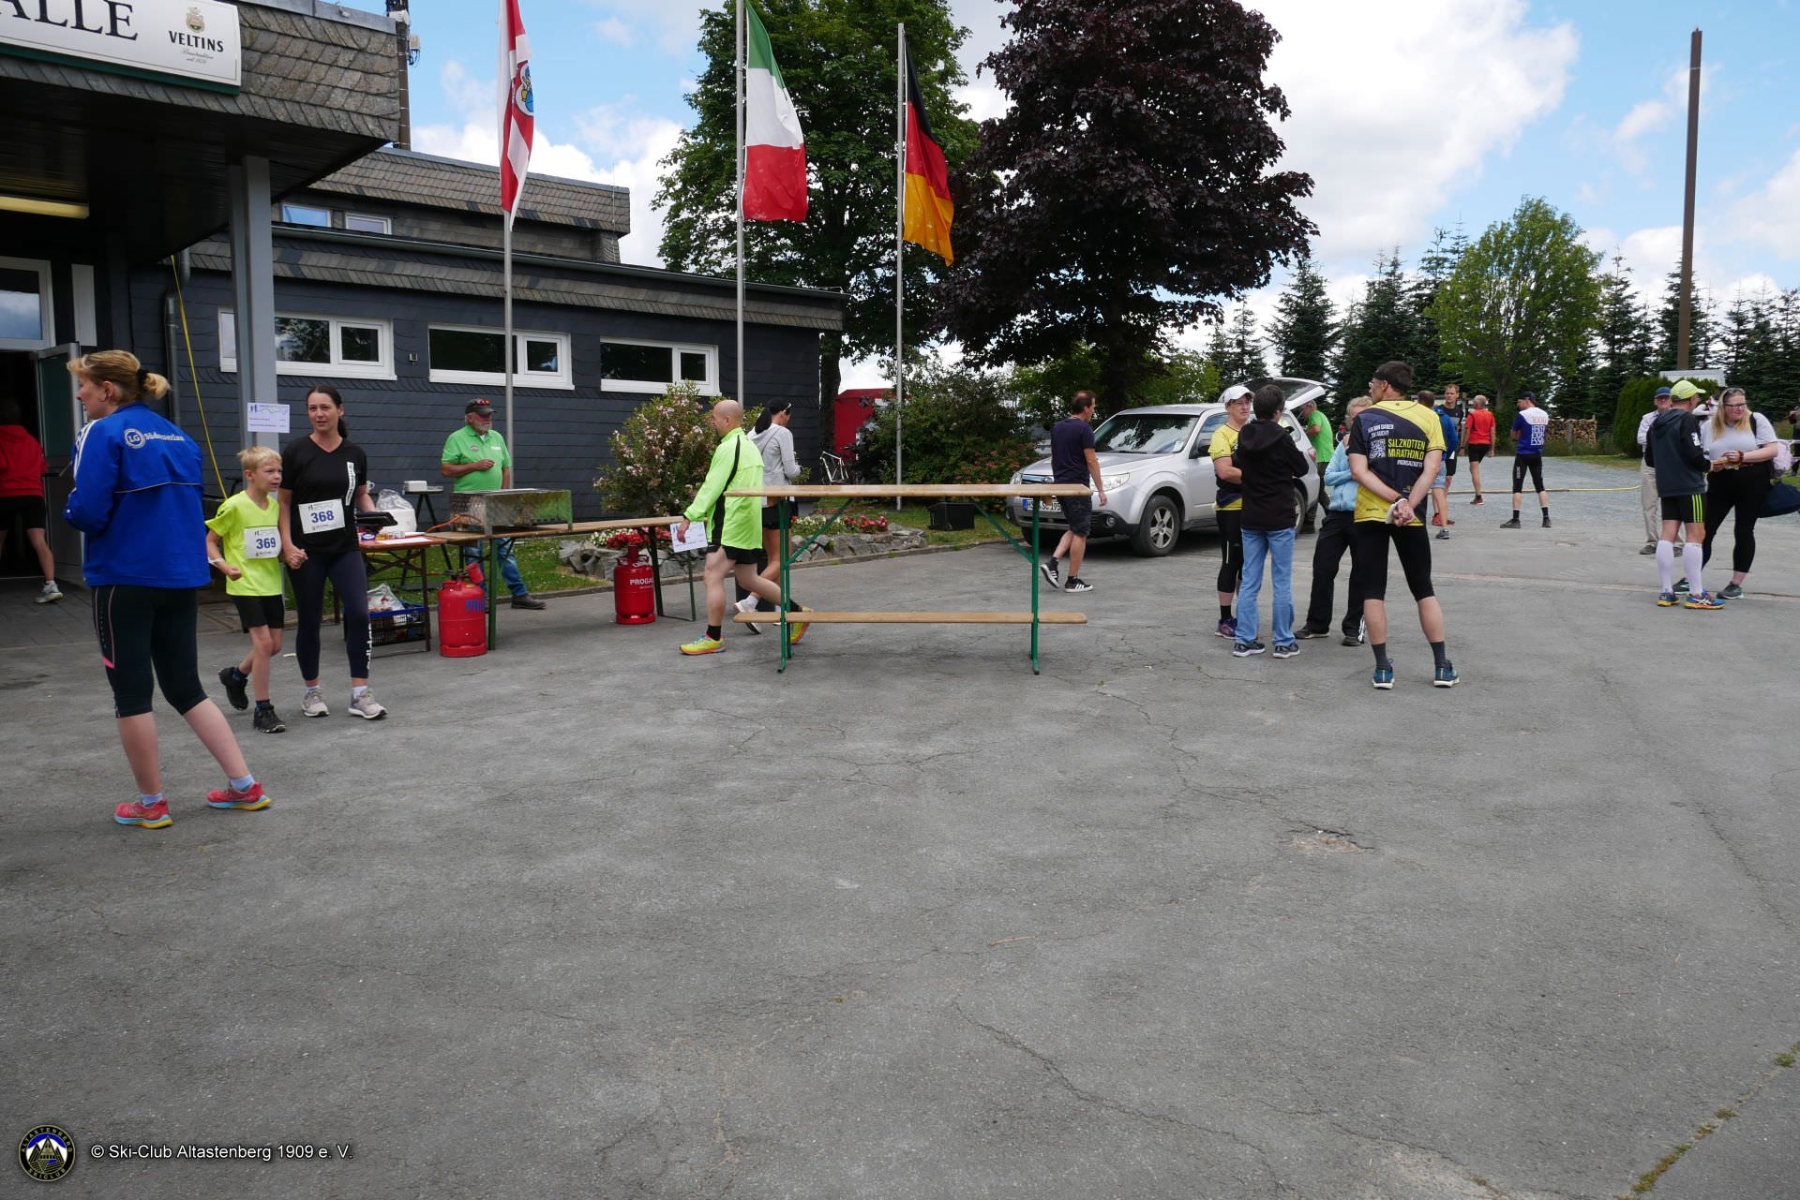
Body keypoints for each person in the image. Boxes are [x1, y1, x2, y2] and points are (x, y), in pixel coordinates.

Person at [62, 350, 270, 828]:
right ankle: (244, 786)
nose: (79, 395)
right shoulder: (179, 436)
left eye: (84, 386)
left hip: (124, 577)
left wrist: (70, 508)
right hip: (180, 578)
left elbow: (88, 511)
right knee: (185, 687)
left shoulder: (100, 431)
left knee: (131, 694)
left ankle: (151, 803)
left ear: (107, 390)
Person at [1347, 360, 1458, 689]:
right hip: (1412, 515)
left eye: (1372, 383)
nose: (1370, 389)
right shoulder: (1429, 416)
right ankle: (1441, 666)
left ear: (1384, 385)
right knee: (1423, 588)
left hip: (1371, 513)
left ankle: (1383, 668)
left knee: (1373, 591)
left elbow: (1359, 471)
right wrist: (1408, 503)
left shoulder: (1364, 418)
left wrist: (1395, 500)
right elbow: (1432, 469)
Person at [280, 385, 387, 719]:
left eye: (324, 407)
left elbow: (361, 495)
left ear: (340, 410)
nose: (318, 414)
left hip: (344, 547)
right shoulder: (296, 451)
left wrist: (376, 518)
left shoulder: (355, 453)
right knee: (310, 620)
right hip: (306, 551)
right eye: (312, 408)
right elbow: (283, 503)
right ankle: (311, 692)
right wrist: (287, 545)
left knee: (359, 613)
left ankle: (360, 694)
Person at [676, 399, 808, 655]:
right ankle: (798, 612)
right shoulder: (748, 447)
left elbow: (712, 487)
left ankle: (713, 637)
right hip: (748, 523)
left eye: (714, 418)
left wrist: (689, 516)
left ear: (727, 420)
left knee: (712, 575)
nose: (711, 422)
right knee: (749, 579)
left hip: (730, 523)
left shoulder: (729, 447)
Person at [206, 445, 288, 733]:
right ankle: (263, 709)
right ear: (250, 475)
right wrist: (224, 567)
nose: (276, 476)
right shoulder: (234, 506)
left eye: (279, 471)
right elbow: (210, 541)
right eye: (270, 471)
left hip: (270, 583)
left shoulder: (275, 507)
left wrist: (289, 554)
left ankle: (236, 676)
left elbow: (273, 546)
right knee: (263, 644)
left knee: (274, 646)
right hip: (244, 585)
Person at [440, 397, 546, 611]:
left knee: (505, 549)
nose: (487, 418)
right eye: (482, 415)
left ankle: (519, 594)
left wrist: (503, 494)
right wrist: (474, 466)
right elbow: (446, 470)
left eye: (489, 414)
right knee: (473, 552)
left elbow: (506, 468)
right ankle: (481, 596)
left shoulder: (496, 437)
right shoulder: (457, 438)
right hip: (468, 503)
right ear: (470, 418)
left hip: (495, 502)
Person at [1230, 384, 1309, 658]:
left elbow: (1237, 462)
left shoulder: (1245, 434)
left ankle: (1244, 639)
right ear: (1278, 412)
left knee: (1250, 579)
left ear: (1256, 409)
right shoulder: (1282, 437)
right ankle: (1283, 641)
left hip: (1251, 515)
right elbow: (1302, 468)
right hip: (1279, 517)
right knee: (1281, 580)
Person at [1296, 395, 1371, 645]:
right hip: (1338, 513)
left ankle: (1353, 628)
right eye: (1353, 418)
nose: (1356, 422)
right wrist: (1354, 471)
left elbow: (1373, 475)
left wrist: (1354, 472)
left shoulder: (1376, 445)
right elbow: (1329, 477)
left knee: (1361, 573)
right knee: (1323, 567)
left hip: (1364, 514)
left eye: (1362, 418)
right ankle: (1318, 624)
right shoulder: (1344, 444)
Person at [1698, 386, 1779, 600]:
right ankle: (1692, 577)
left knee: (1744, 530)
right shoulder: (1709, 426)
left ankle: (1736, 583)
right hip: (1720, 479)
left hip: (1752, 479)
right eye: (1733, 406)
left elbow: (1772, 449)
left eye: (1742, 404)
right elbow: (1703, 454)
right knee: (1705, 529)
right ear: (1723, 407)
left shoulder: (1756, 420)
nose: (1739, 409)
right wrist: (1712, 464)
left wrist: (1743, 456)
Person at [1644, 380, 1720, 610]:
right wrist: (1709, 465)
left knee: (1667, 535)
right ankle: (1696, 593)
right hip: (1690, 485)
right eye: (1696, 397)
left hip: (1667, 485)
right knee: (1696, 535)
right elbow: (1693, 453)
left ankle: (1666, 591)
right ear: (1691, 399)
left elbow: (1649, 459)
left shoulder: (1656, 422)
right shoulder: (1687, 419)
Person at [734, 397, 804, 633]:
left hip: (757, 502)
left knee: (774, 557)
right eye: (789, 415)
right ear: (783, 413)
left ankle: (779, 610)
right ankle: (750, 602)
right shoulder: (782, 433)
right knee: (782, 559)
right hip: (777, 501)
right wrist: (799, 469)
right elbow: (791, 471)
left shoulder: (751, 433)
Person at [1039, 389, 1108, 594]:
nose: (1093, 410)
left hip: (1061, 485)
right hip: (1077, 488)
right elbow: (1091, 461)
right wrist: (1101, 489)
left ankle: (1053, 563)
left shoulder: (1058, 427)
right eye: (1093, 407)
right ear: (1085, 408)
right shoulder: (1084, 429)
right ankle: (1072, 580)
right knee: (1081, 532)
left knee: (1075, 527)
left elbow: (1057, 456)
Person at [0, 397, 61, 603]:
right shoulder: (32, 441)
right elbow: (42, 468)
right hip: (33, 495)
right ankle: (51, 585)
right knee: (39, 541)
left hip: (4, 494)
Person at [1209, 384, 1253, 638]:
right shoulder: (1221, 435)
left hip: (1254, 506)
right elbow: (1225, 471)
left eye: (1247, 402)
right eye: (1239, 403)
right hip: (1231, 507)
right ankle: (1225, 619)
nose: (1245, 407)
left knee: (1248, 565)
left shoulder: (1253, 431)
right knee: (1231, 562)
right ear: (1228, 407)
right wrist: (1258, 477)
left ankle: (1244, 615)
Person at [1636, 387, 1682, 555]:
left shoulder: (1679, 417)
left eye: (1666, 398)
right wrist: (1665, 437)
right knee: (1649, 504)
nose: (1663, 400)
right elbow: (1640, 438)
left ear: (1671, 400)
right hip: (1650, 463)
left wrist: (1656, 436)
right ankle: (1652, 542)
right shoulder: (1647, 418)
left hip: (1672, 464)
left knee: (1674, 503)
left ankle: (1677, 543)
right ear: (1655, 401)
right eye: (1659, 398)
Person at [1500, 392, 1550, 528]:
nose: (1518, 405)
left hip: (1523, 454)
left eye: (1519, 401)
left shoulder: (1523, 415)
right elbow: (1544, 433)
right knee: (1540, 486)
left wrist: (1519, 435)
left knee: (1517, 487)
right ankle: (1546, 518)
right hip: (1537, 454)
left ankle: (1516, 520)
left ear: (1527, 400)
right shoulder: (1544, 415)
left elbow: (1513, 434)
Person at [1297, 396, 1333, 533]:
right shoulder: (1321, 415)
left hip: (1321, 456)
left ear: (1310, 407)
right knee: (1318, 488)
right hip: (1326, 455)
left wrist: (1303, 435)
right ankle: (1311, 522)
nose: (1302, 414)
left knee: (1317, 489)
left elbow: (1316, 429)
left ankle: (1319, 520)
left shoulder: (1314, 414)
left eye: (1302, 410)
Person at [1430, 393, 1460, 540]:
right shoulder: (1445, 418)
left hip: (1420, 459)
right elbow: (1454, 439)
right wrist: (1446, 454)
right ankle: (1444, 528)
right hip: (1439, 458)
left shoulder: (1419, 416)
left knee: (1412, 490)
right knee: (1440, 492)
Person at [1463, 395, 1495, 504]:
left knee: (1474, 470)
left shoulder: (1472, 414)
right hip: (1485, 444)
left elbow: (1467, 432)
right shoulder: (1490, 414)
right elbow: (1492, 432)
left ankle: (1478, 496)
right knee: (1473, 469)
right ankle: (1477, 494)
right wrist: (1492, 449)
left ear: (1477, 403)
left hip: (1474, 444)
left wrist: (1462, 446)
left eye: (1474, 401)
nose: (1472, 403)